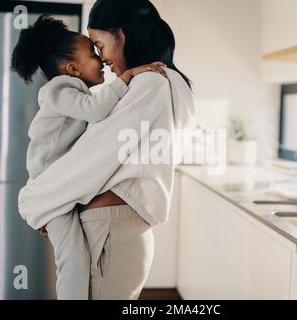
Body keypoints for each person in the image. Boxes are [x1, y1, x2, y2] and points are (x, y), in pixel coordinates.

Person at [18, 0, 195, 299]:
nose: (101, 58)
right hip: (116, 231)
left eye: (99, 45)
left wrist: (36, 200)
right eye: (94, 50)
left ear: (122, 35)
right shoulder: (170, 80)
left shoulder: (150, 82)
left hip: (111, 232)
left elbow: (91, 160)